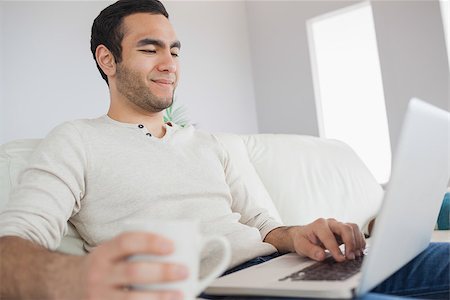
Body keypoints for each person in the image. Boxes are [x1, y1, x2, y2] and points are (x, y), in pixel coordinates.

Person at [0, 1, 448, 299]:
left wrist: (301, 235)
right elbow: (10, 250)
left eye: (174, 50)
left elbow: (265, 226)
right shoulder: (75, 140)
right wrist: (77, 278)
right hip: (219, 289)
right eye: (149, 49)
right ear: (107, 60)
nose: (169, 63)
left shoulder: (209, 143)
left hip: (283, 269)